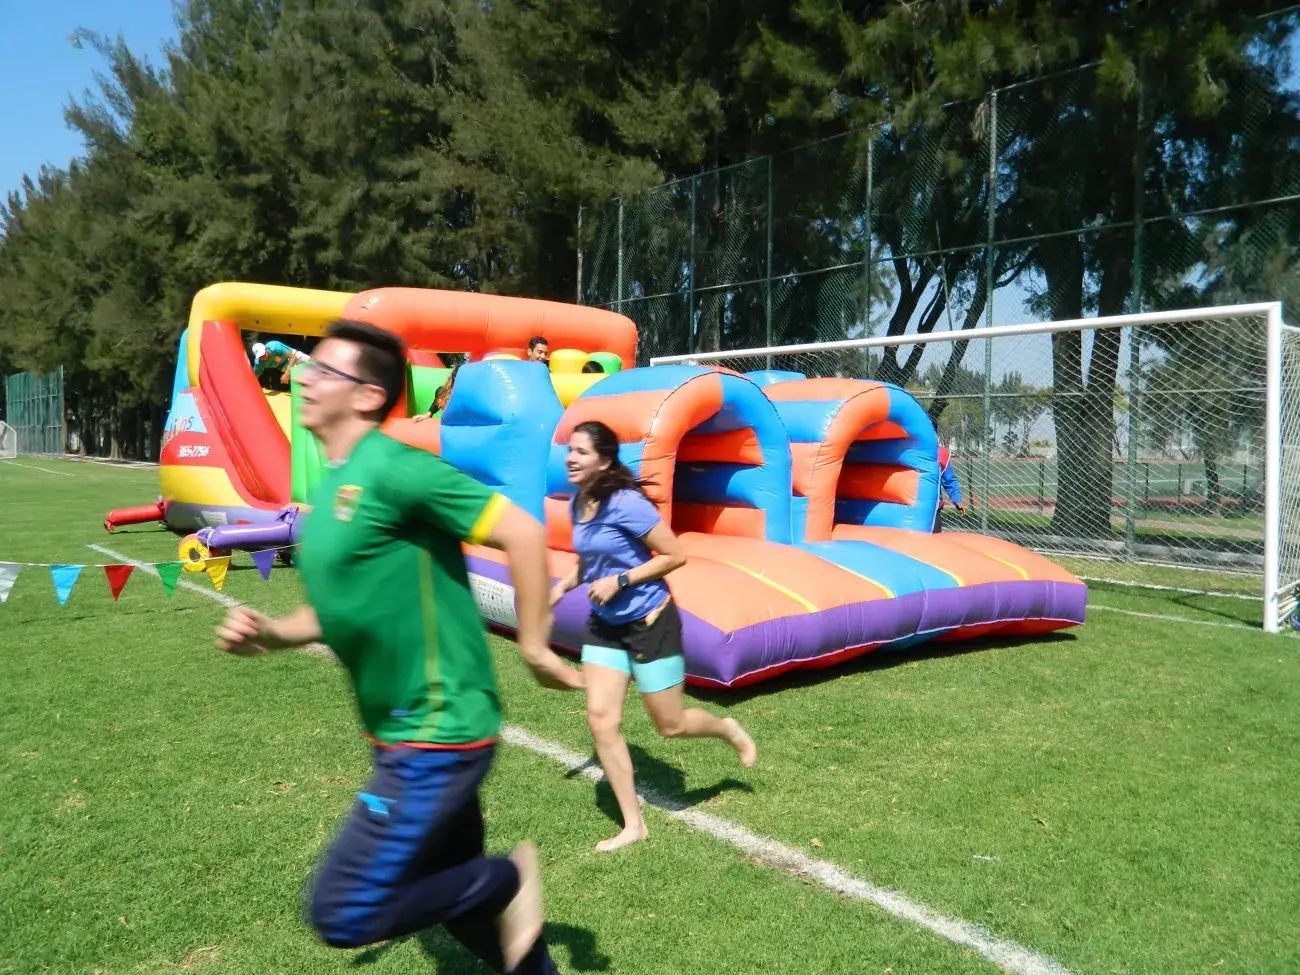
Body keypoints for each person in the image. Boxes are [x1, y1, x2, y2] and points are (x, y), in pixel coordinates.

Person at [214, 319, 582, 973]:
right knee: (462, 904)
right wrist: (270, 633)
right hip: (401, 731)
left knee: (344, 911)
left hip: (436, 729)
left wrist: (533, 647)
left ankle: (509, 879)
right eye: (307, 366)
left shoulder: (397, 468)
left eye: (324, 370)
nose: (304, 378)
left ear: (367, 396)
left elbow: (523, 532)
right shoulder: (332, 490)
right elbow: (332, 609)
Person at [549, 420, 756, 853]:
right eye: (570, 450)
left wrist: (622, 580)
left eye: (582, 452)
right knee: (600, 720)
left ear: (605, 461)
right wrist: (562, 587)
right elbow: (591, 559)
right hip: (605, 625)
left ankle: (726, 728)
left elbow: (675, 555)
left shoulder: (627, 503)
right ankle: (634, 825)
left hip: (650, 620)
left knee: (671, 725)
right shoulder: (578, 502)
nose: (571, 458)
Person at [934, 444, 966, 531]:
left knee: (933, 538)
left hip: (933, 509)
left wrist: (957, 499)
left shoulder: (940, 454)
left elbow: (949, 480)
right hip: (908, 507)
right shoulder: (906, 450)